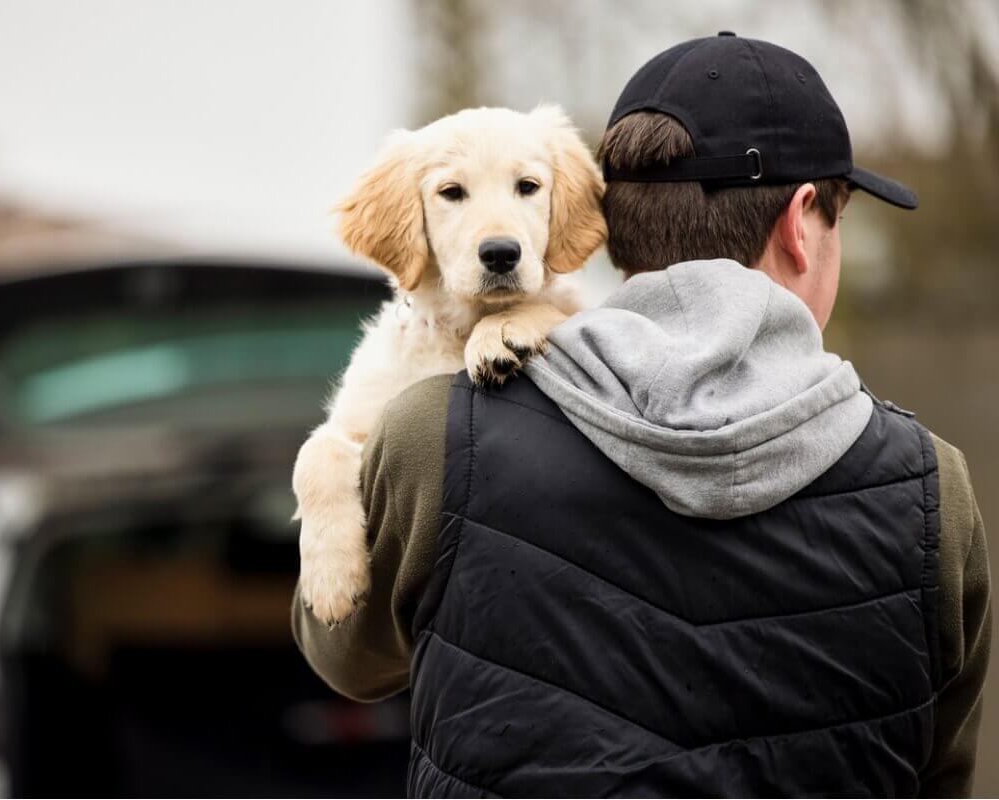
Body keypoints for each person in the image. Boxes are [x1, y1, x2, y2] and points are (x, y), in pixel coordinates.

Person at [292, 33, 991, 797]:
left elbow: (349, 659)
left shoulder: (434, 433)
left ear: (604, 223)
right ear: (800, 222)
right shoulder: (932, 490)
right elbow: (941, 775)